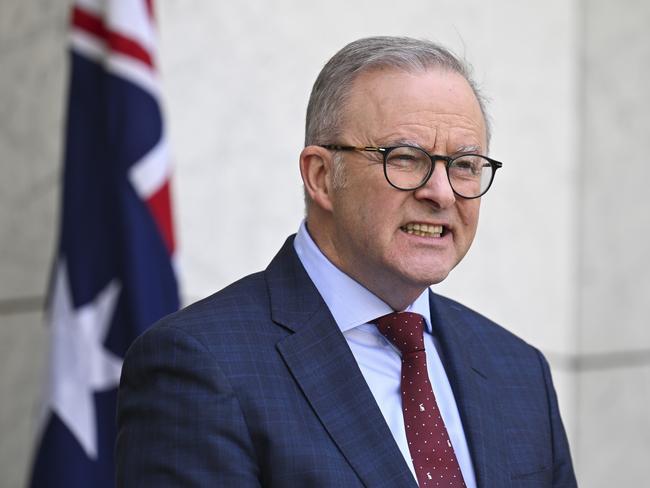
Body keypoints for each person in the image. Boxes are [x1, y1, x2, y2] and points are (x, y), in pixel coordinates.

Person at [116, 36, 577, 487]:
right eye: (406, 157)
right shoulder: (199, 364)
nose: (440, 193)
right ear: (321, 176)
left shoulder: (519, 372)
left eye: (464, 165)